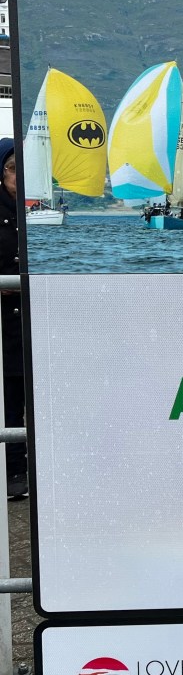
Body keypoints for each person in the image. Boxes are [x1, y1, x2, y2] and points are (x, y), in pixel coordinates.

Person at [0, 139, 27, 499]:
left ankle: (32, 468)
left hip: (32, 321)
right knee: (9, 400)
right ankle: (14, 473)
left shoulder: (35, 210)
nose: (18, 176)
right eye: (12, 168)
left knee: (33, 396)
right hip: (4, 324)